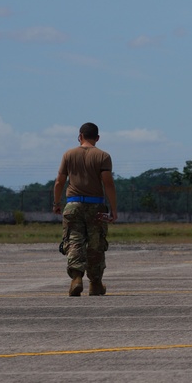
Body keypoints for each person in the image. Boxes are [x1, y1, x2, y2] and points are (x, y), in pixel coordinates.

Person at [52, 122, 117, 296]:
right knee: (96, 243)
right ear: (97, 138)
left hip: (73, 205)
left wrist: (56, 203)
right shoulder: (103, 156)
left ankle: (76, 278)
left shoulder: (68, 155)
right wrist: (113, 209)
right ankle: (95, 283)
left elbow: (59, 181)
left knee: (74, 241)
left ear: (80, 136)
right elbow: (108, 183)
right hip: (96, 205)